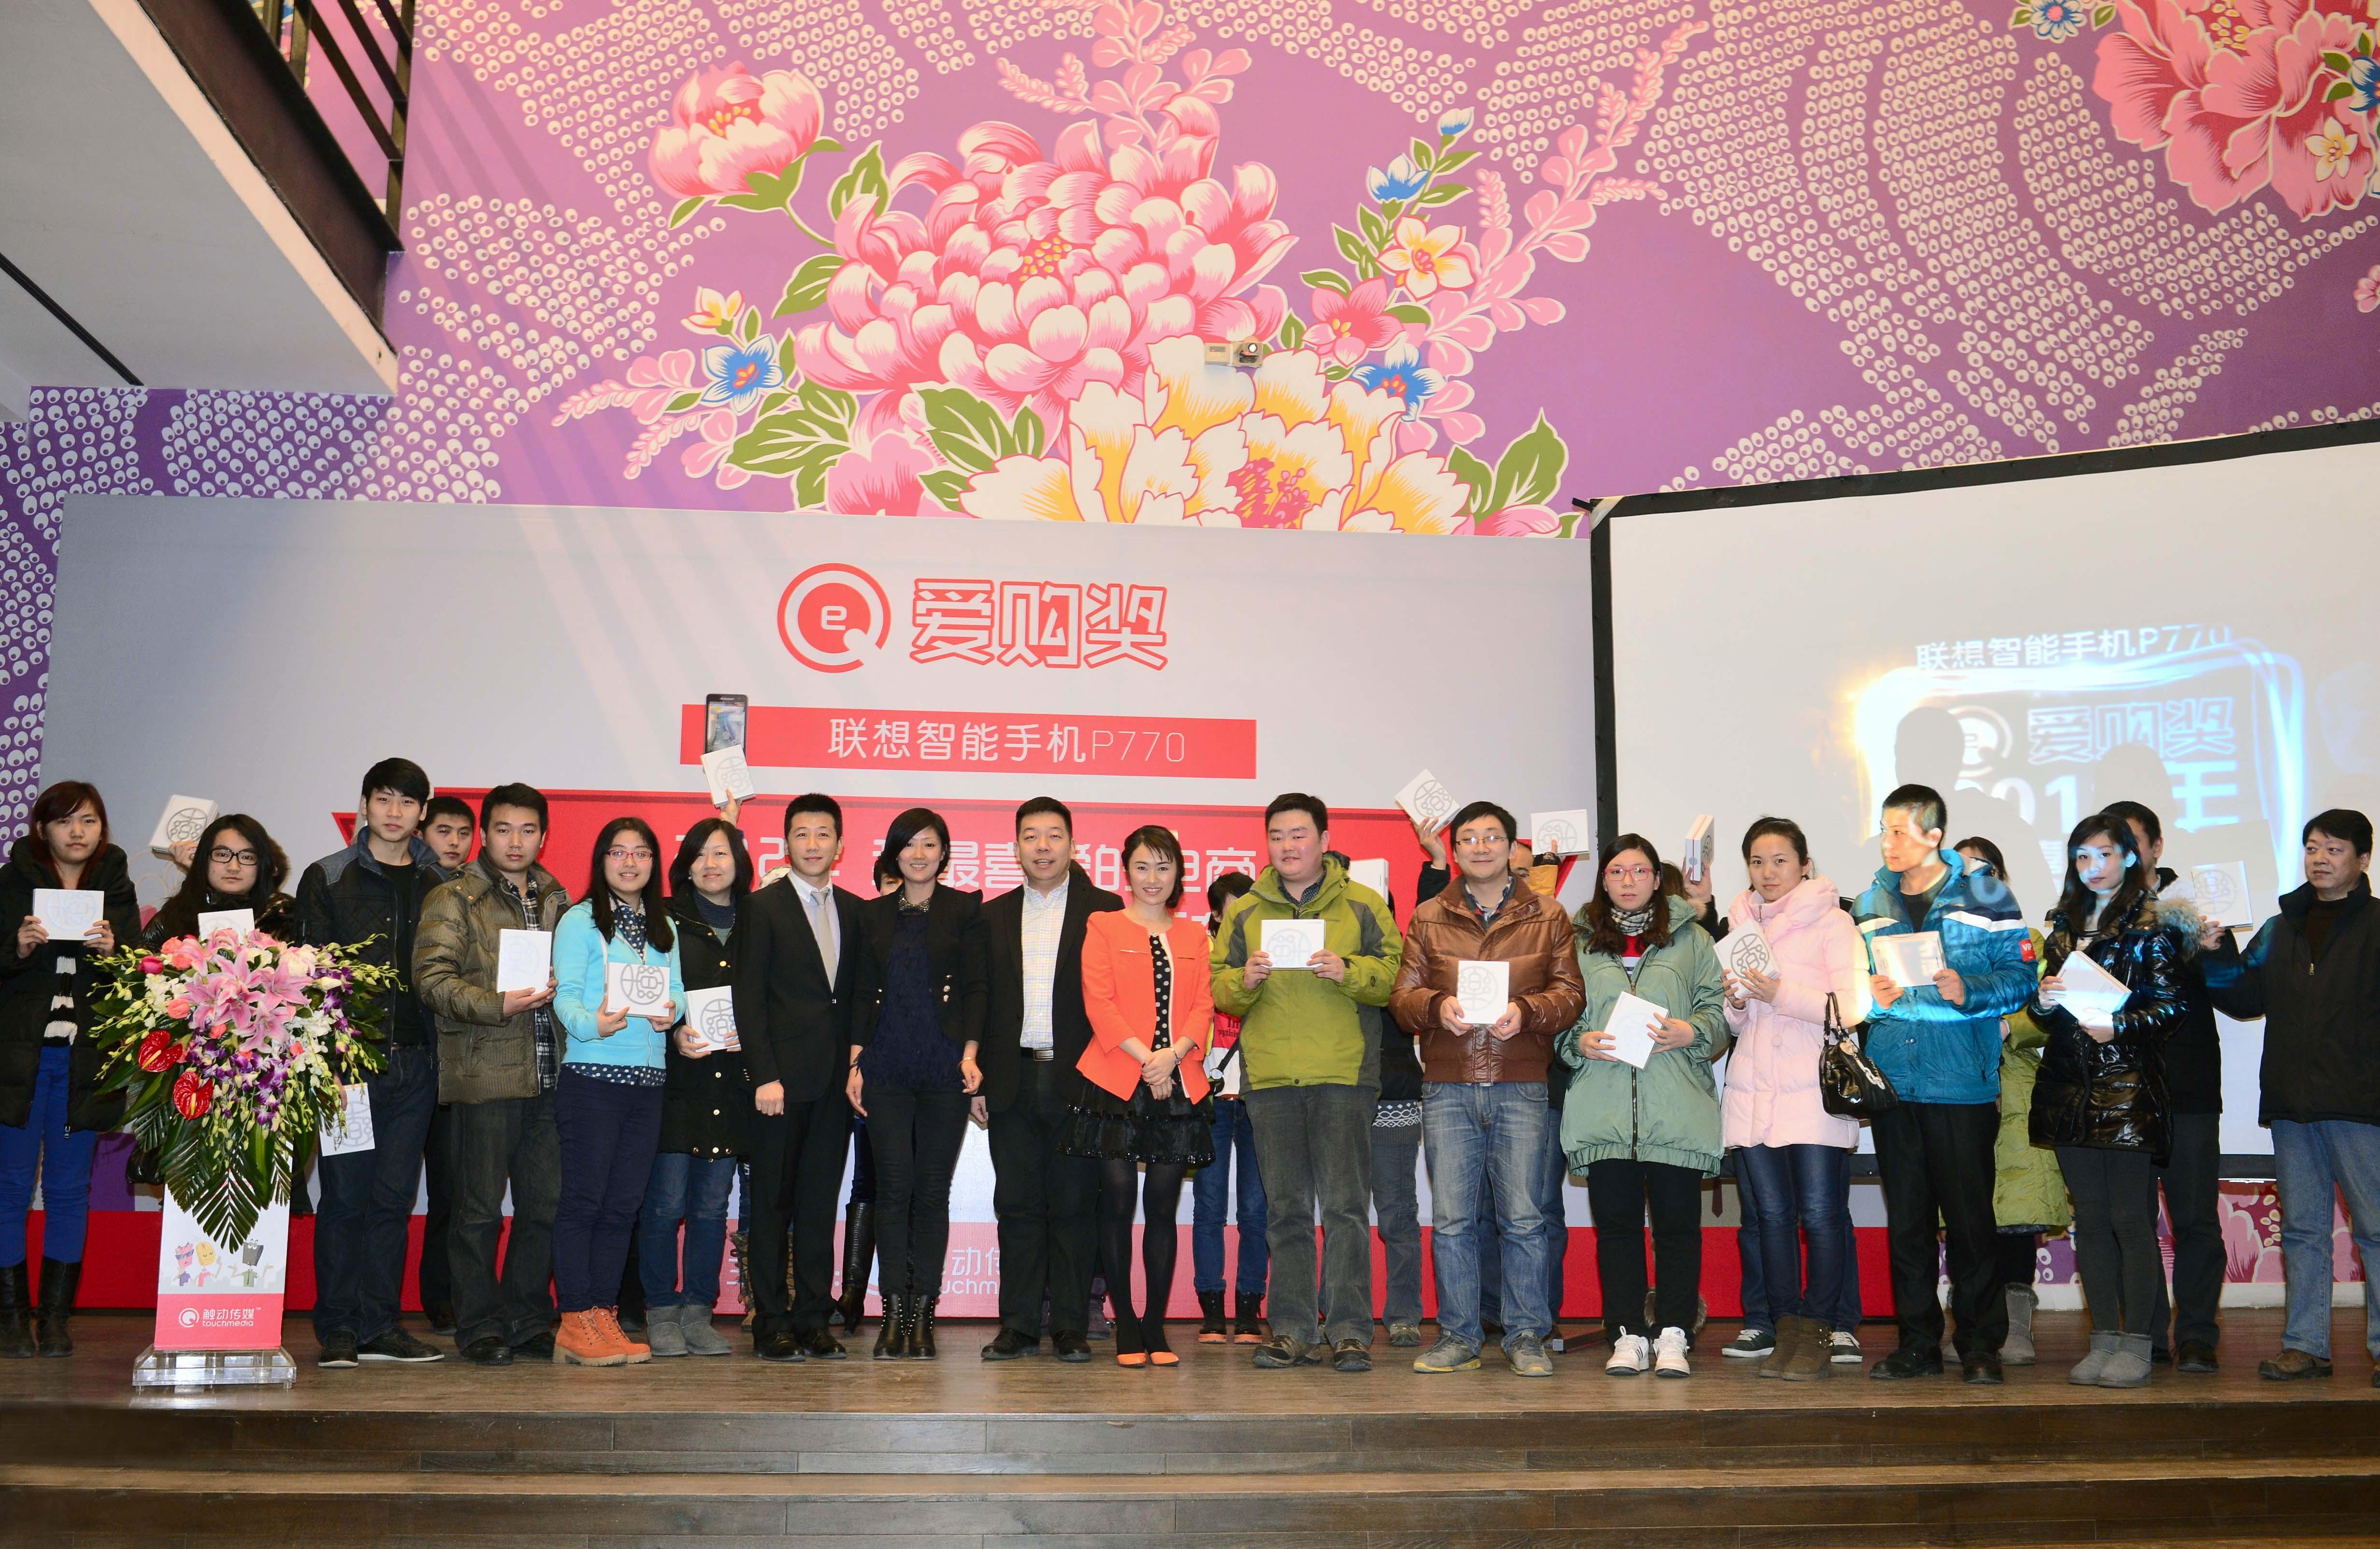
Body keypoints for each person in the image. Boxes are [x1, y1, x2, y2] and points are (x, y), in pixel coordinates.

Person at [1390, 801, 1585, 1379]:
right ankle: (1459, 1335)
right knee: (1452, 1220)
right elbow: (1402, 998)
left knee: (1523, 1218)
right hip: (1447, 1084)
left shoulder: (1548, 914)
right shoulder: (1428, 916)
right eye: (1469, 838)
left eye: (1492, 837)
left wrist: (1526, 1011)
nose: (1480, 847)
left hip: (1520, 1082)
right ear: (1454, 850)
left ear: (1510, 847)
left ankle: (1525, 1334)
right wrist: (1435, 1006)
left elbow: (1570, 994)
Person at [1210, 794, 1402, 1373]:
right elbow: (1218, 987)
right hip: (1270, 1078)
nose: (1287, 846)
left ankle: (1348, 1331)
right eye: (1276, 836)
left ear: (1323, 840)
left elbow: (1392, 976)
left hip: (1343, 1073)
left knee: (1345, 1208)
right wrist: (1243, 981)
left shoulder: (1363, 903)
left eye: (1298, 834)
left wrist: (1350, 971)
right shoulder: (1246, 909)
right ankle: (1292, 1330)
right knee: (1286, 1210)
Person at [1854, 783, 2033, 1384]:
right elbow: (1849, 986)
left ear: (1934, 835)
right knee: (1906, 1224)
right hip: (1894, 1083)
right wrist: (1867, 996)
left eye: (1900, 831)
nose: (1888, 841)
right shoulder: (1869, 900)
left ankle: (1979, 1345)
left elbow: (2021, 976)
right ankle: (1917, 1344)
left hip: (1960, 1084)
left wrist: (1969, 989)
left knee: (1969, 1222)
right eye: (1883, 829)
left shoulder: (1986, 893)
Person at [2202, 808, 2380, 1385]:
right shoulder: (2280, 927)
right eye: (2311, 847)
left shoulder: (2376, 925)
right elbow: (2241, 996)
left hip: (2359, 1104)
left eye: (2333, 848)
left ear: (2362, 858)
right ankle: (2305, 1345)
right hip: (2290, 1103)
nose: (2319, 858)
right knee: (2302, 1230)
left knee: (2375, 1228)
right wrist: (2215, 950)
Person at [296, 758, 449, 1369]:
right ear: (363, 804)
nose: (394, 811)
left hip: (419, 1068)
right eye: (383, 798)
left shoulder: (442, 881)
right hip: (350, 1068)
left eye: (407, 801)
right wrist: (330, 1060)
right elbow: (310, 976)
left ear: (422, 812)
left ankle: (381, 1324)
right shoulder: (328, 876)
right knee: (345, 1197)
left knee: (392, 1200)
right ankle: (337, 1326)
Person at [1558, 834, 1726, 1380]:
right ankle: (1627, 1334)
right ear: (1602, 880)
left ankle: (1674, 1332)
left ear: (1657, 878)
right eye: (1616, 871)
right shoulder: (1577, 942)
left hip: (1676, 1109)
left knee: (1678, 1229)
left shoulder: (1693, 938)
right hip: (1603, 1110)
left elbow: (1718, 1011)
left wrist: (1693, 1031)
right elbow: (1558, 1012)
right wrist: (1577, 1042)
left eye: (1639, 870)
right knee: (1617, 1232)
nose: (1627, 880)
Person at [2029, 812, 2187, 1388]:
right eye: (2081, 856)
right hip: (2068, 1087)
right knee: (2090, 1220)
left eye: (2103, 854)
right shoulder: (2062, 926)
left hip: (2125, 1089)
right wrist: (2044, 1001)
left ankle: (2138, 1343)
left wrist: (2119, 1025)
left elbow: (2172, 1008)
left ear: (2128, 857)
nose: (2091, 866)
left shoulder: (2152, 924)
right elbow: (2043, 1013)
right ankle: (2101, 1340)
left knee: (2128, 1219)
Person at [414, 782, 567, 1367]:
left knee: (543, 1208)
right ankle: (478, 1325)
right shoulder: (454, 897)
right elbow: (431, 979)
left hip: (551, 1076)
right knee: (477, 1211)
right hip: (484, 1075)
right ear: (485, 834)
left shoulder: (559, 898)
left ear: (543, 836)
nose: (515, 841)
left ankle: (527, 1319)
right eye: (503, 829)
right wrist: (495, 1004)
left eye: (528, 830)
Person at [1719, 817, 1868, 1381]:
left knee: (1822, 1216)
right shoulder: (1738, 924)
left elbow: (1852, 1007)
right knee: (1772, 1218)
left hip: (1813, 1093)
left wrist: (1780, 992)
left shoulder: (1834, 922)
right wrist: (1737, 1001)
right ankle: (1785, 1329)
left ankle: (1821, 1328)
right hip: (1753, 1091)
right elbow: (1737, 1023)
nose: (1767, 872)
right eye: (1757, 861)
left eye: (1779, 860)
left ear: (1804, 865)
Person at [978, 798, 1120, 1363]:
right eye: (1031, 836)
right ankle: (1016, 1325)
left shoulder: (1104, 911)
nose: (1042, 846)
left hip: (1080, 1080)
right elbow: (981, 1003)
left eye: (1053, 835)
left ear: (1072, 845)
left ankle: (1068, 1326)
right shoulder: (991, 915)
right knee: (1016, 1206)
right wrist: (979, 1078)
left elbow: (1116, 1002)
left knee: (1074, 1207)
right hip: (1010, 1079)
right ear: (1015, 847)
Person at [0, 781, 139, 1359]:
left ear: (102, 829)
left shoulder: (117, 885)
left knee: (67, 1191)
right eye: (64, 821)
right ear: (42, 829)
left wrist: (115, 954)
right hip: (18, 1060)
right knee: (10, 1189)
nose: (77, 832)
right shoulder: (11, 883)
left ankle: (56, 1319)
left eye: (89, 820)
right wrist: (16, 948)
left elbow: (139, 974)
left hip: (83, 1061)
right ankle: (12, 1319)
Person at [1071, 825, 1216, 1366]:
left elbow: (1203, 1006)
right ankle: (1126, 1321)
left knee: (1161, 1205)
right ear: (1126, 871)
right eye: (1142, 866)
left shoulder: (1195, 935)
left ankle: (1155, 1323)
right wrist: (1146, 1058)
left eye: (1163, 866)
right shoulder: (1104, 925)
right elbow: (1099, 1002)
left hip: (1177, 1080)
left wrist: (1171, 1056)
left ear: (1178, 873)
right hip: (1115, 1079)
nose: (1153, 878)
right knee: (1115, 1202)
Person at [848, 807, 987, 1360]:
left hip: (944, 1069)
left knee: (931, 1190)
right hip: (885, 1067)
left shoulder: (965, 909)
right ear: (894, 853)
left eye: (930, 844)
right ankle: (892, 1312)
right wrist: (855, 1063)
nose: (919, 854)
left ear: (943, 853)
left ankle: (923, 1311)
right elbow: (862, 992)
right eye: (909, 844)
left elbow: (977, 987)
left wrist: (971, 1054)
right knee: (892, 1188)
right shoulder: (871, 914)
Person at [732, 795, 863, 1363]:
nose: (813, 844)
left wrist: (855, 1067)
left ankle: (813, 1319)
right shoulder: (762, 907)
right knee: (771, 1205)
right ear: (786, 843)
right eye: (802, 834)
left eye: (823, 834)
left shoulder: (854, 910)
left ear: (840, 844)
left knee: (817, 1205)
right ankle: (771, 1322)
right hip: (778, 1087)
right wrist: (764, 1074)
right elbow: (748, 997)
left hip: (834, 1087)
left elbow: (853, 999)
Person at [549, 817, 683, 1366]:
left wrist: (674, 1011)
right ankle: (574, 1319)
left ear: (654, 863)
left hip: (648, 1084)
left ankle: (602, 1314)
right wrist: (592, 1024)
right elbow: (565, 996)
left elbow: (677, 988)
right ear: (601, 859)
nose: (630, 863)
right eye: (618, 852)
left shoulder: (663, 925)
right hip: (592, 1078)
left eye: (641, 853)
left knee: (623, 1206)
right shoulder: (579, 921)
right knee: (584, 1201)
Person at [2104, 798, 2225, 1372]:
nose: (2122, 855)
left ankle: (2197, 1334)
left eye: (2132, 842)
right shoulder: (2095, 915)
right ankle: (2145, 1333)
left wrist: (2210, 952)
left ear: (2155, 847)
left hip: (2187, 1090)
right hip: (2122, 1092)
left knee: (2195, 1218)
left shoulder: (2196, 909)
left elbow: (2235, 991)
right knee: (2129, 1221)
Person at [1952, 836, 2065, 1371]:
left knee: (2018, 1212)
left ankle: (2016, 1324)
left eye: (1985, 870)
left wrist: (2003, 1027)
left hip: (2016, 1087)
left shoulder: (2029, 939)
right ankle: (1972, 1323)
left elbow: (2047, 1012)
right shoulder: (1935, 941)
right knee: (1966, 1213)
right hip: (1955, 1087)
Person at [643, 816, 751, 1358]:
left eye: (722, 853)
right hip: (676, 1082)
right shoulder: (661, 917)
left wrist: (753, 1034)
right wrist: (673, 1032)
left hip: (732, 1088)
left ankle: (699, 1311)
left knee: (711, 1207)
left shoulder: (759, 918)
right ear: (685, 864)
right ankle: (661, 1311)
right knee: (664, 1205)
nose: (711, 864)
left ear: (739, 862)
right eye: (700, 854)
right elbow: (643, 989)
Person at [1192, 871, 1266, 1344]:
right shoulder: (1199, 955)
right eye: (1232, 909)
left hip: (1261, 1096)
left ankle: (1248, 1308)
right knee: (1209, 1207)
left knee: (1257, 1209)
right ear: (1217, 914)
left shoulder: (1272, 955)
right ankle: (1212, 1310)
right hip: (1210, 1098)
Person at [414, 792, 478, 1338]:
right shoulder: (413, 887)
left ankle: (447, 1297)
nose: (454, 842)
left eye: (463, 833)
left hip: (458, 1062)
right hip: (406, 1059)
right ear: (421, 831)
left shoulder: (477, 893)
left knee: (454, 1190)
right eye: (443, 831)